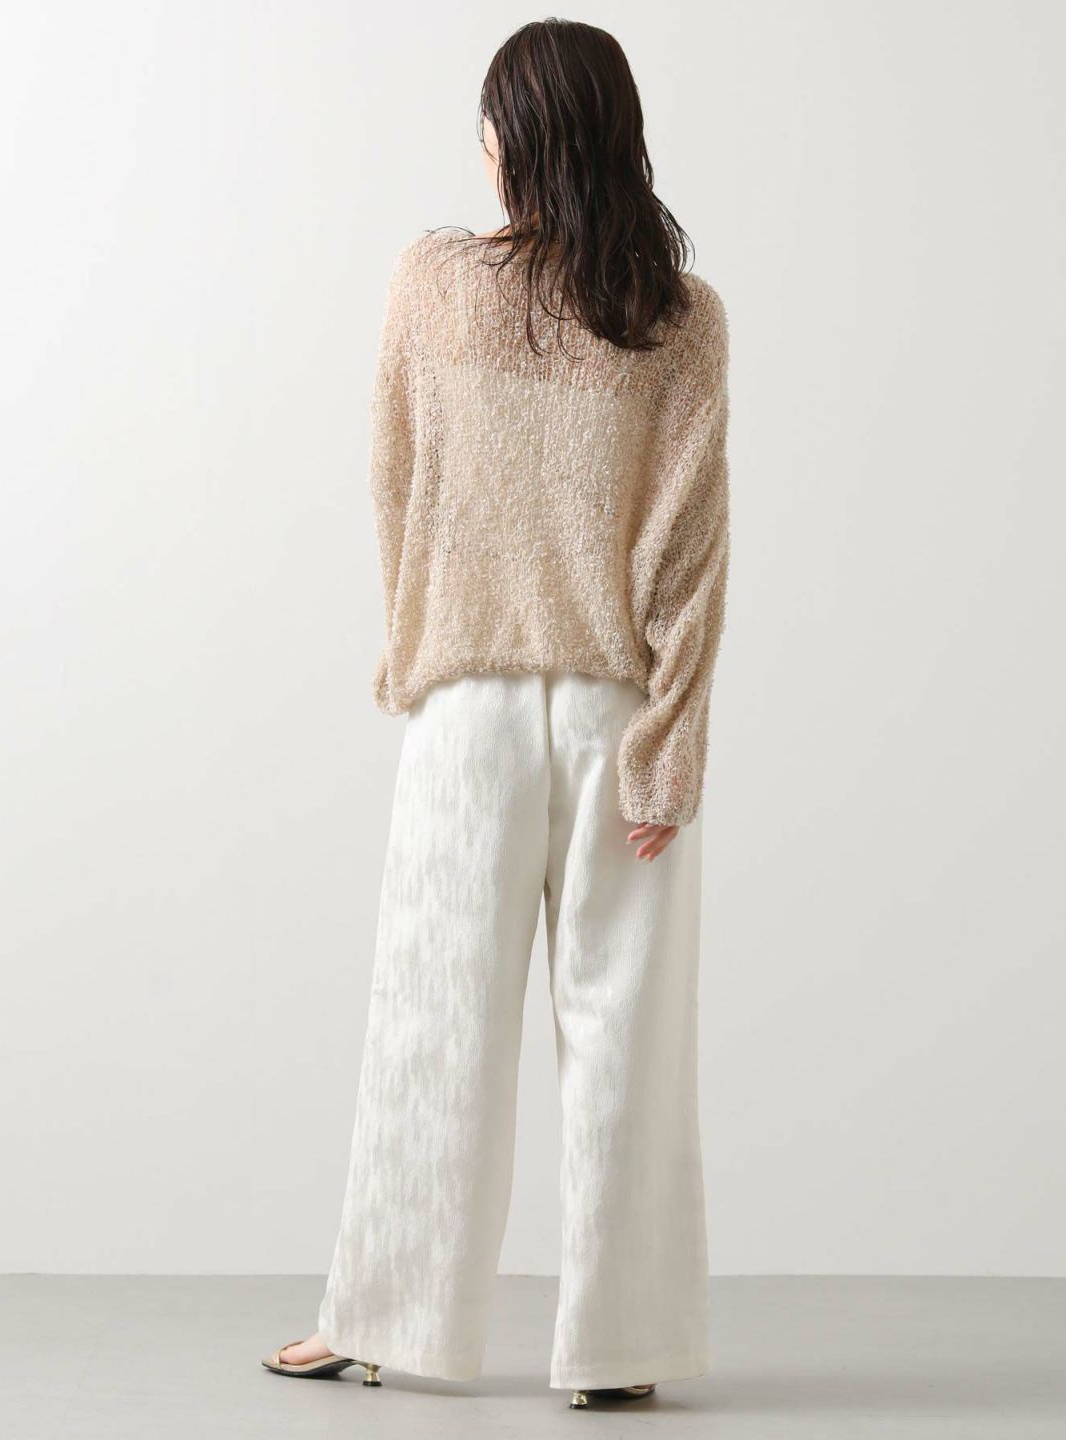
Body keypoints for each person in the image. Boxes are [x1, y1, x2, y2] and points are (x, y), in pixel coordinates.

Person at [263, 17, 729, 1412]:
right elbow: (691, 549)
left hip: (465, 707)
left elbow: (394, 481)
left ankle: (382, 1322)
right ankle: (624, 1355)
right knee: (629, 1037)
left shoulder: (433, 284)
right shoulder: (681, 316)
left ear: (512, 137)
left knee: (431, 1020)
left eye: (487, 122)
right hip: (616, 710)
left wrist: (416, 647)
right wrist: (669, 749)